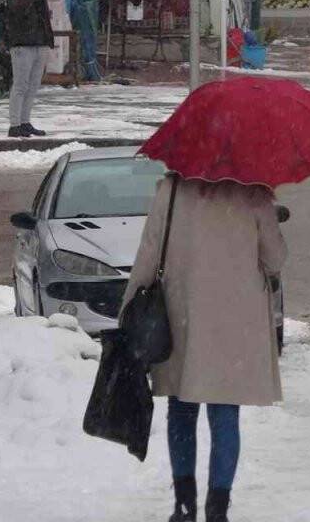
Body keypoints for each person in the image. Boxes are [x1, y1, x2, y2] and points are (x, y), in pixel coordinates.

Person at [123, 176, 287, 522]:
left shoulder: (171, 190)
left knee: (182, 409)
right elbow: (275, 260)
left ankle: (184, 506)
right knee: (224, 413)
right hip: (234, 323)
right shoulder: (253, 191)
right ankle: (217, 510)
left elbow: (149, 253)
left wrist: (128, 309)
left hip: (183, 314)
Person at [3, 0, 55, 138]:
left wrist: (48, 40)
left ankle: (25, 121)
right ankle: (15, 123)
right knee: (20, 84)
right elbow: (18, 12)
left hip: (39, 42)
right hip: (22, 43)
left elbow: (44, 15)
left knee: (33, 85)